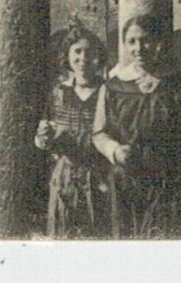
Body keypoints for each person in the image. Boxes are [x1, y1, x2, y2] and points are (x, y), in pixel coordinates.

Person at [91, 13, 181, 238]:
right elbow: (99, 133)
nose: (139, 48)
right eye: (132, 41)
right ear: (125, 45)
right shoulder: (113, 87)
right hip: (127, 180)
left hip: (172, 177)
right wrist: (115, 150)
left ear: (159, 42)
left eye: (146, 40)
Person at [35, 26, 111, 238]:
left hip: (101, 177)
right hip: (65, 177)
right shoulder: (59, 92)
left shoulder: (110, 92)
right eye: (77, 52)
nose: (83, 58)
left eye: (89, 52)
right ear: (67, 56)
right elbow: (42, 137)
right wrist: (43, 136)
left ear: (99, 57)